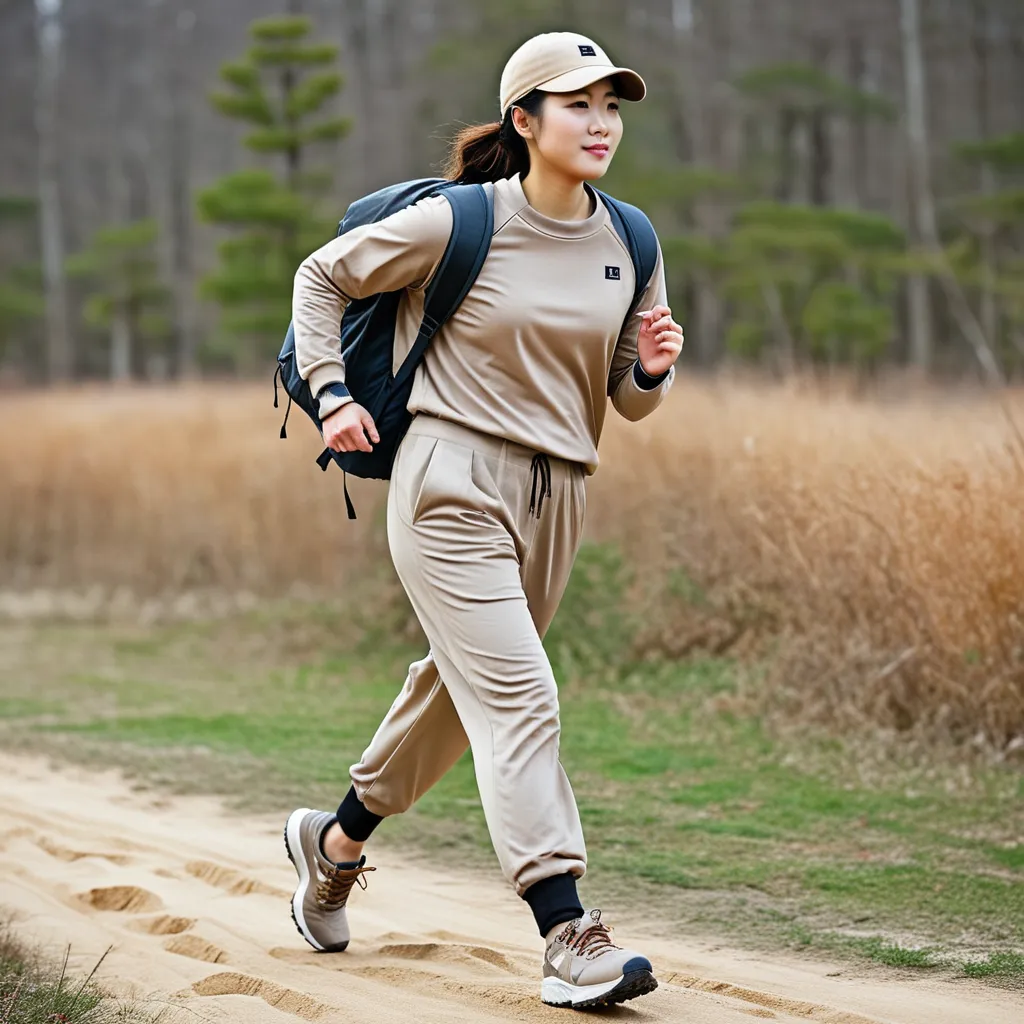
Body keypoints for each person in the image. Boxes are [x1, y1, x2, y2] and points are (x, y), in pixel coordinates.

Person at [283, 30, 684, 1011]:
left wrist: (650, 372)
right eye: (578, 104)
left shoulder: (630, 239)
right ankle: (568, 933)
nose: (601, 122)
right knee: (521, 696)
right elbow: (321, 276)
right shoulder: (460, 221)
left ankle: (334, 844)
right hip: (449, 480)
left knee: (458, 693)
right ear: (524, 120)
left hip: (560, 494)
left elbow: (625, 400)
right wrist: (331, 393)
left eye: (610, 105)